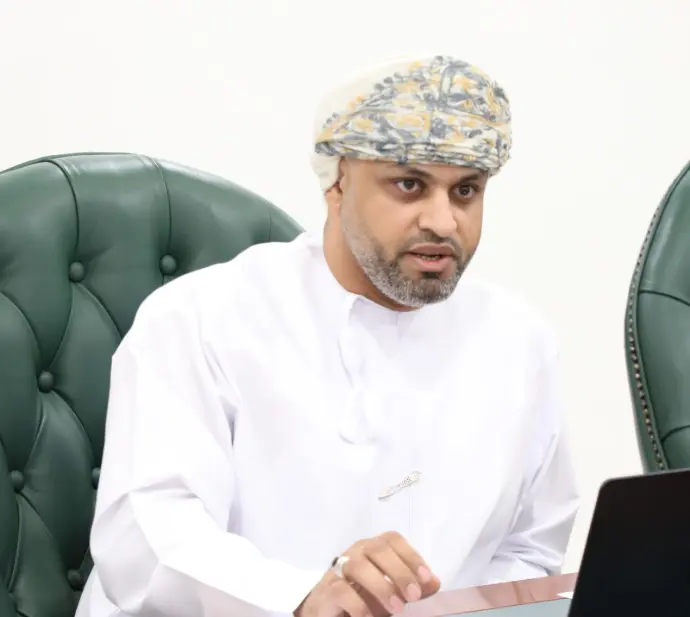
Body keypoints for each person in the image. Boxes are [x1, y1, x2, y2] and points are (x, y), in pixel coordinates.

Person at [76, 55, 579, 617]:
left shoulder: (519, 343)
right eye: (410, 185)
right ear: (337, 182)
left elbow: (530, 549)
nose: (443, 222)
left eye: (465, 191)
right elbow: (148, 541)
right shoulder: (202, 318)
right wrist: (301, 599)